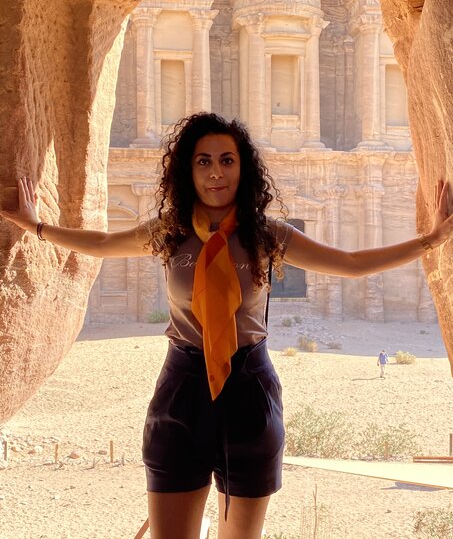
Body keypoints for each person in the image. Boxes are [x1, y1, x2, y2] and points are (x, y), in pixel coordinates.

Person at [1, 112, 452, 539]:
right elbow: (101, 243)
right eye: (204, 161)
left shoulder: (267, 235)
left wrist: (431, 240)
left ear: (243, 168)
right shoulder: (169, 231)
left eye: (227, 160)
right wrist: (36, 226)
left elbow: (350, 263)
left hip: (248, 390)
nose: (216, 172)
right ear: (188, 171)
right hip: (182, 391)